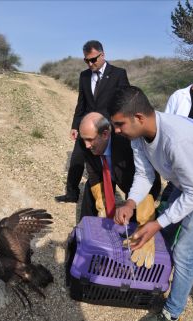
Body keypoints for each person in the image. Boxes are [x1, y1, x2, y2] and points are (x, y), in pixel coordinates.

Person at [109, 86, 193, 321]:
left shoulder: (176, 141)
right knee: (163, 235)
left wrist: (157, 223)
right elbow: (144, 174)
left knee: (185, 252)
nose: (116, 131)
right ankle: (153, 283)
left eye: (119, 124)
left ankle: (171, 315)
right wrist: (130, 202)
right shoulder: (138, 135)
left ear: (138, 118)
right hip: (189, 181)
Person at [78, 112, 161, 268]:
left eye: (90, 140)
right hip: (108, 171)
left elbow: (144, 181)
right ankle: (85, 240)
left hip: (139, 181)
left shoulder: (127, 145)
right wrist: (102, 206)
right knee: (91, 195)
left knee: (135, 227)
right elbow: (94, 173)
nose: (87, 145)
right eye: (84, 139)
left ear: (105, 134)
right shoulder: (85, 143)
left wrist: (145, 226)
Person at [55, 40, 130, 203]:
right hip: (86, 127)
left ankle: (115, 197)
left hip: (107, 130)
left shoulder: (118, 74)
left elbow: (124, 102)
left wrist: (119, 127)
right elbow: (81, 102)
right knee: (76, 159)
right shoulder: (84, 76)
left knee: (112, 163)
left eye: (93, 59)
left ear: (102, 55)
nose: (90, 63)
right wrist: (75, 126)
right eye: (86, 60)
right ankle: (72, 193)